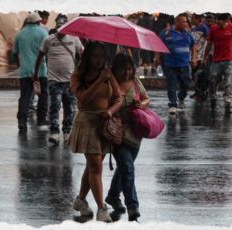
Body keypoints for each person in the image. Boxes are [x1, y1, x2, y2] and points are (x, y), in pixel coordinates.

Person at [68, 41, 122, 223]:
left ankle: (80, 200)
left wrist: (111, 111)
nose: (99, 60)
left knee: (92, 166)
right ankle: (101, 208)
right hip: (86, 123)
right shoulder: (78, 75)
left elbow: (118, 98)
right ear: (88, 57)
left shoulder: (108, 75)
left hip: (104, 124)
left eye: (102, 57)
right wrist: (100, 79)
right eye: (95, 56)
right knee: (95, 167)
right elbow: (82, 98)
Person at [105, 53, 149, 221]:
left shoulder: (135, 82)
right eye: (123, 70)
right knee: (128, 168)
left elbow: (146, 99)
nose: (127, 73)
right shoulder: (109, 83)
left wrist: (141, 104)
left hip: (136, 133)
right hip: (117, 133)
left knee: (124, 167)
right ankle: (132, 205)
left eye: (130, 69)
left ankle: (112, 195)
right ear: (115, 69)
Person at [34, 16, 83, 144]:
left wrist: (82, 71)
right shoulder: (48, 40)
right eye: (59, 28)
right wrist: (35, 75)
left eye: (64, 27)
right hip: (54, 80)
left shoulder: (74, 39)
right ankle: (55, 132)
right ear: (56, 28)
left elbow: (82, 54)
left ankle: (67, 131)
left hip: (70, 81)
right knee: (55, 107)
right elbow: (39, 57)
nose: (61, 30)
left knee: (69, 108)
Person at [203, 13, 232, 114]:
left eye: (220, 22)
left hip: (228, 60)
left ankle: (227, 100)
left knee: (228, 81)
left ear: (226, 21)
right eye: (217, 22)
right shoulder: (213, 29)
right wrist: (204, 57)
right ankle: (213, 97)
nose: (218, 24)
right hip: (215, 60)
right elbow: (209, 44)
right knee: (213, 80)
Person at [12, 12, 49, 131]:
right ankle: (41, 119)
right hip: (41, 71)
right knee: (43, 95)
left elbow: (14, 53)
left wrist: (20, 66)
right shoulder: (43, 33)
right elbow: (47, 52)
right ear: (38, 22)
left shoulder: (19, 34)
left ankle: (22, 121)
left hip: (25, 71)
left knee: (25, 96)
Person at [155, 14, 197, 116]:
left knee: (185, 83)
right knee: (172, 84)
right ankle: (173, 105)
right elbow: (159, 44)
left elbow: (193, 45)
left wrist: (194, 58)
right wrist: (157, 57)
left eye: (186, 22)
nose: (186, 24)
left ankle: (181, 97)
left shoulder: (187, 33)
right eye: (183, 22)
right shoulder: (167, 32)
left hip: (184, 64)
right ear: (176, 22)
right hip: (170, 64)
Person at [190, 14, 210, 101]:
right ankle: (197, 92)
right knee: (194, 74)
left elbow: (208, 40)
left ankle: (202, 92)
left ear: (198, 19)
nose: (191, 20)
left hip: (201, 55)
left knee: (201, 75)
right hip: (194, 55)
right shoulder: (193, 29)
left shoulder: (204, 28)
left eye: (193, 19)